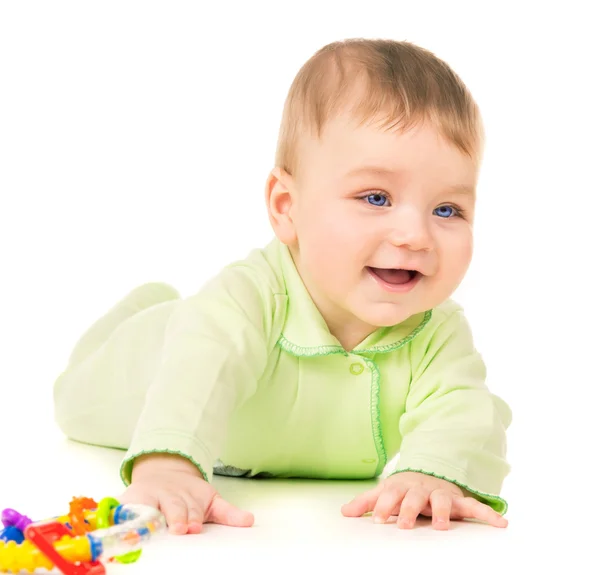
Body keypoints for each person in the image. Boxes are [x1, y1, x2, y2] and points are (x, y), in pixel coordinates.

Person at [53, 38, 512, 534]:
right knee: (74, 397)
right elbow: (198, 371)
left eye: (448, 209)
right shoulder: (247, 299)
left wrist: (432, 472)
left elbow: (464, 410)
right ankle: (147, 307)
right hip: (140, 369)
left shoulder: (437, 329)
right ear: (286, 206)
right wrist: (168, 465)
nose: (415, 235)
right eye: (376, 197)